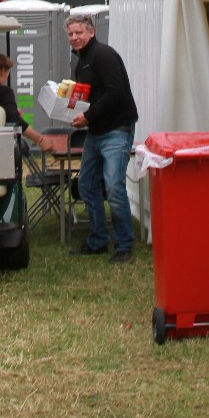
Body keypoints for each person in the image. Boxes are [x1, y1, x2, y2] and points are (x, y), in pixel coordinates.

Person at [66, 15, 138, 264]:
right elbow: (88, 96)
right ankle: (97, 240)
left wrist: (87, 116)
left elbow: (116, 93)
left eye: (79, 32)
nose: (74, 37)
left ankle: (124, 245)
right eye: (70, 34)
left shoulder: (103, 55)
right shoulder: (82, 61)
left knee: (114, 186)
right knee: (86, 184)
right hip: (95, 131)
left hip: (117, 128)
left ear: (91, 32)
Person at [0, 54, 55, 151]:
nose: (7, 77)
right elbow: (15, 120)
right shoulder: (5, 92)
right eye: (8, 73)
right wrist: (40, 140)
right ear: (2, 71)